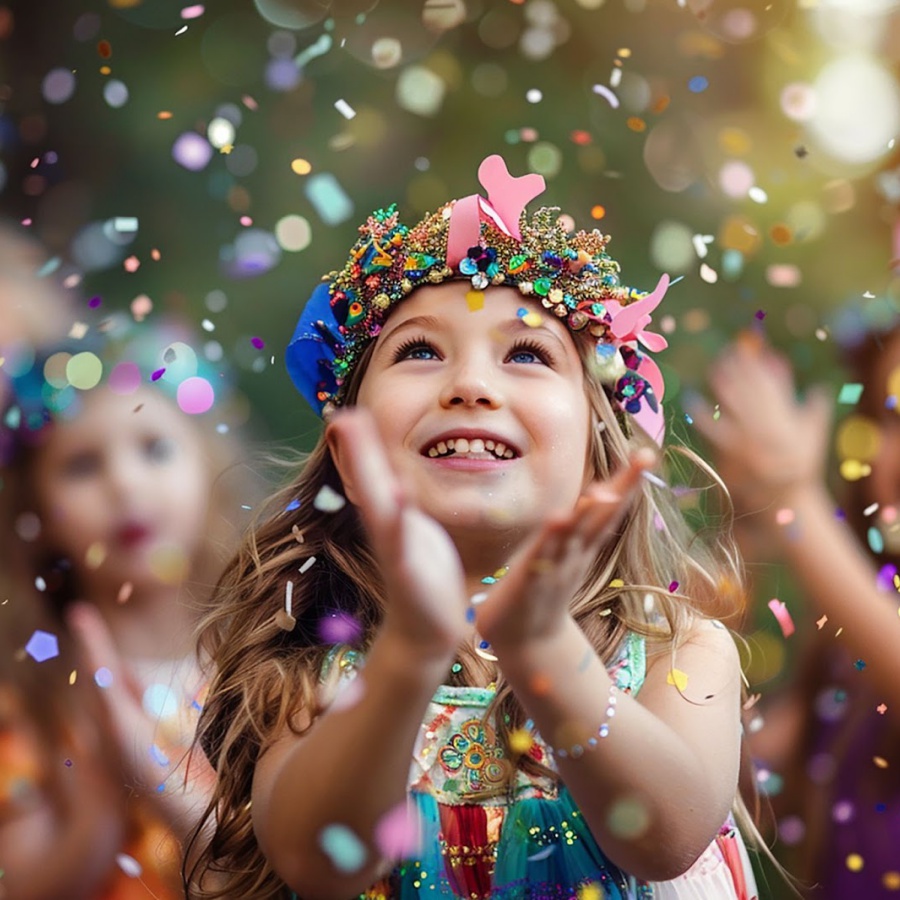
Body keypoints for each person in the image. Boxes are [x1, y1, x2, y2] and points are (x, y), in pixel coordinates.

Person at [188, 155, 761, 899]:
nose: (469, 385)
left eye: (527, 353)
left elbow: (665, 837)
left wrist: (541, 647)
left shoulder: (678, 653)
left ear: (597, 453)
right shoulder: (306, 674)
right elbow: (316, 863)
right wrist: (409, 652)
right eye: (420, 351)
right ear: (350, 458)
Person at [0, 308, 254, 898]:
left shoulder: (271, 647)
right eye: (83, 465)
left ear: (207, 465)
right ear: (33, 513)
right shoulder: (31, 698)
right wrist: (102, 785)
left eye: (155, 449)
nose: (126, 485)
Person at [690, 326, 900, 896]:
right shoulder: (846, 663)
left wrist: (790, 493)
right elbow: (731, 784)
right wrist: (744, 526)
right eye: (890, 418)